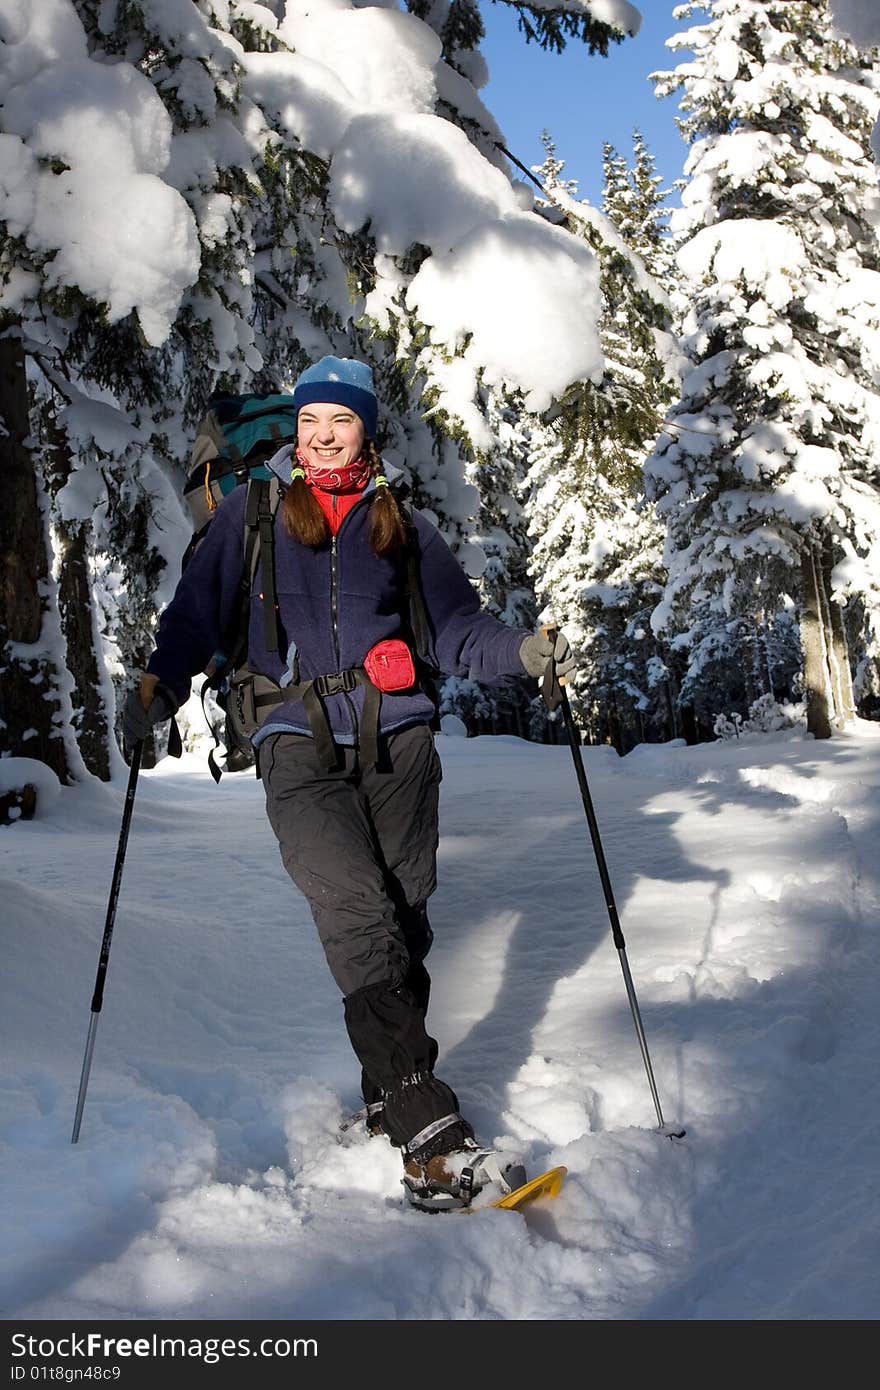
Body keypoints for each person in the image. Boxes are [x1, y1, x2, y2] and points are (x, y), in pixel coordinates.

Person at [123, 355, 575, 1210]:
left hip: (398, 738)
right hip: (292, 738)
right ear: (293, 431)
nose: (323, 436)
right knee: (355, 907)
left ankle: (385, 1091)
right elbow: (194, 613)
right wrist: (160, 682)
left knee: (404, 916)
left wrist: (523, 653)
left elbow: (458, 629)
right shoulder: (253, 515)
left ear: (368, 429)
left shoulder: (400, 523)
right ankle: (431, 1136)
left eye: (341, 422)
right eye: (309, 422)